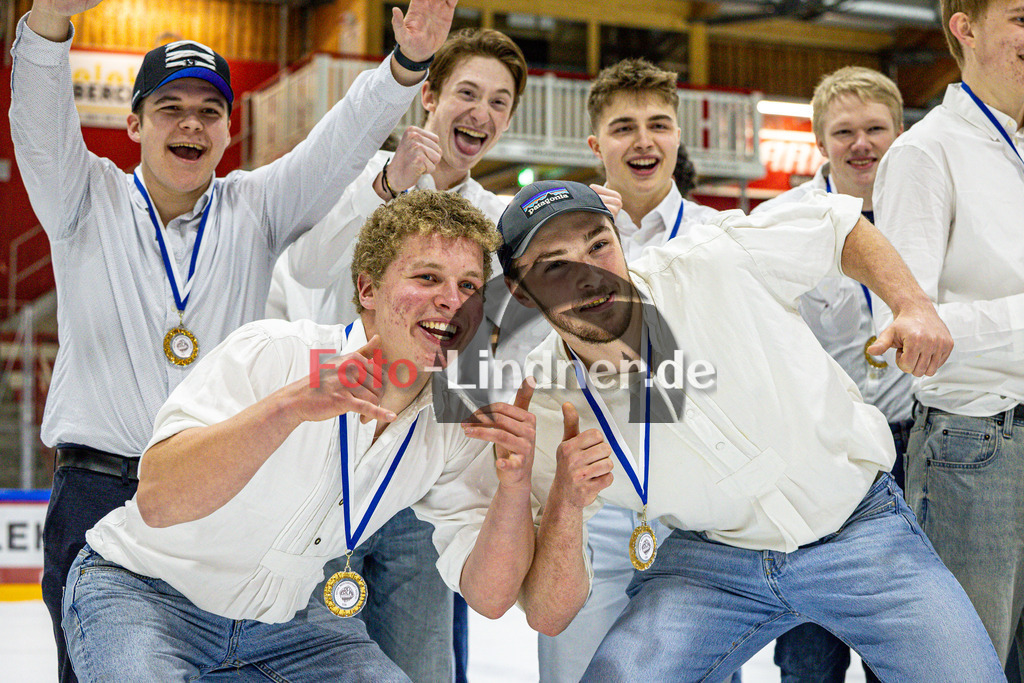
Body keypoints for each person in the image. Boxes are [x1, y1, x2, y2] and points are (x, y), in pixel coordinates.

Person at [8, 0, 455, 679]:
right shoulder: (83, 200)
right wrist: (46, 22)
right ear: (133, 124)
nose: (191, 123)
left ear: (227, 130)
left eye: (209, 111)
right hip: (98, 488)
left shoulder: (256, 207)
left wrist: (407, 64)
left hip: (228, 490)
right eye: (170, 108)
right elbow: (38, 130)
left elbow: (338, 143)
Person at [499, 180, 1005, 681]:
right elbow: (548, 615)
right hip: (710, 561)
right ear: (521, 291)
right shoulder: (546, 400)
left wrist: (912, 303)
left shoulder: (711, 259)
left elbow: (837, 224)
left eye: (599, 245)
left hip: (857, 526)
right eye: (556, 266)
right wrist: (565, 501)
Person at [61, 190, 538, 681]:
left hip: (292, 627)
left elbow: (491, 596)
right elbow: (158, 502)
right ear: (368, 289)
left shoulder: (456, 422)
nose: (451, 300)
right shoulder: (277, 353)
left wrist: (516, 484)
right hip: (145, 595)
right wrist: (287, 408)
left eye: (470, 286)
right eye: (427, 278)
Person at [281, 28, 528, 682]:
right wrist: (389, 183)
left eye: (499, 102)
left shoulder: (499, 223)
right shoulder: (363, 178)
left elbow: (491, 354)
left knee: (423, 668)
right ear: (429, 96)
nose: (482, 112)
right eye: (468, 93)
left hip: (420, 479)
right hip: (327, 468)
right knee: (311, 665)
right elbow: (305, 268)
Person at [536, 58, 723, 683]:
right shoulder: (553, 241)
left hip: (696, 506)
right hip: (594, 499)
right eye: (623, 127)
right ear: (596, 144)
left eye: (658, 124)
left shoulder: (720, 236)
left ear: (677, 137)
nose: (643, 141)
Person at [872, 0, 1024, 676]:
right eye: (1022, 17)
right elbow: (910, 329)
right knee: (967, 667)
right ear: (965, 28)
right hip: (978, 445)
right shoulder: (924, 152)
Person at [753, 66, 910, 683]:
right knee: (809, 650)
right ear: (820, 141)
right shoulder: (784, 220)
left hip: (914, 443)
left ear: (900, 133)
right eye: (844, 131)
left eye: (876, 128)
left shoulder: (926, 213)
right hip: (817, 450)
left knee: (897, 638)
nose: (861, 144)